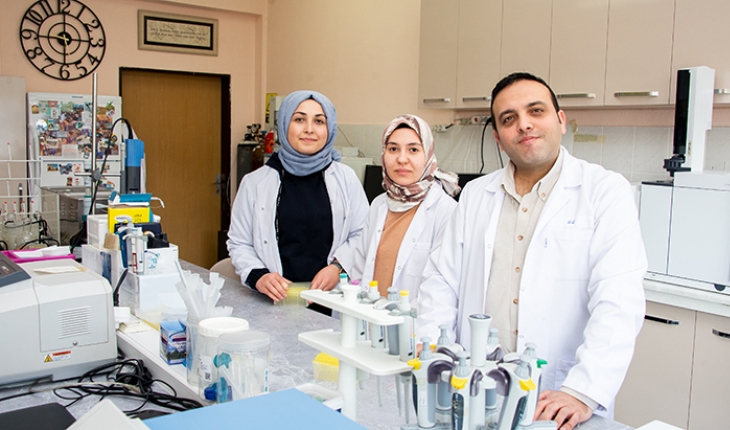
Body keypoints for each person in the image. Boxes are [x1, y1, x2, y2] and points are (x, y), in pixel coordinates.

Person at [416, 72, 647, 430]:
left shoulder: (604, 192)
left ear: (561, 120)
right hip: (474, 387)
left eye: (536, 111)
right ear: (498, 137)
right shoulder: (476, 194)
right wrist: (432, 349)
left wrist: (582, 390)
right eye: (509, 118)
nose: (524, 124)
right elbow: (441, 281)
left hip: (558, 397)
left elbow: (618, 302)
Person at [227, 90, 368, 307]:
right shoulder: (254, 183)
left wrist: (338, 268)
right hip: (274, 300)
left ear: (329, 128)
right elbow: (239, 243)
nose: (309, 129)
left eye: (319, 121)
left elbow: (362, 234)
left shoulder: (346, 179)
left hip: (332, 300)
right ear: (284, 125)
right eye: (299, 119)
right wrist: (260, 276)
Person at [338, 115, 459, 304]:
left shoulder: (446, 211)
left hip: (415, 320)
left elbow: (441, 293)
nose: (402, 159)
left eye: (413, 149)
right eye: (393, 149)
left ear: (428, 155)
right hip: (368, 317)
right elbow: (359, 272)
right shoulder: (378, 205)